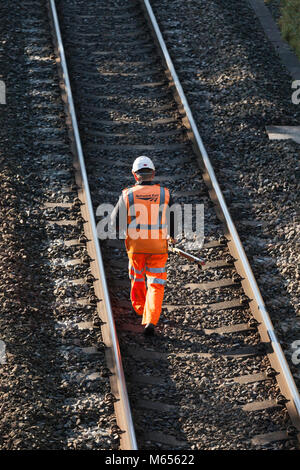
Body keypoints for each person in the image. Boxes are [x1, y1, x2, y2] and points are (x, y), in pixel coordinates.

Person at [110, 156, 177, 336]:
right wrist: (173, 237)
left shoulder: (127, 194)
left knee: (138, 277)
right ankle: (150, 319)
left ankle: (139, 309)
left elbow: (115, 222)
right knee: (156, 283)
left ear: (134, 174)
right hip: (158, 247)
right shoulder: (165, 194)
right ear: (153, 174)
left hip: (136, 247)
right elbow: (173, 219)